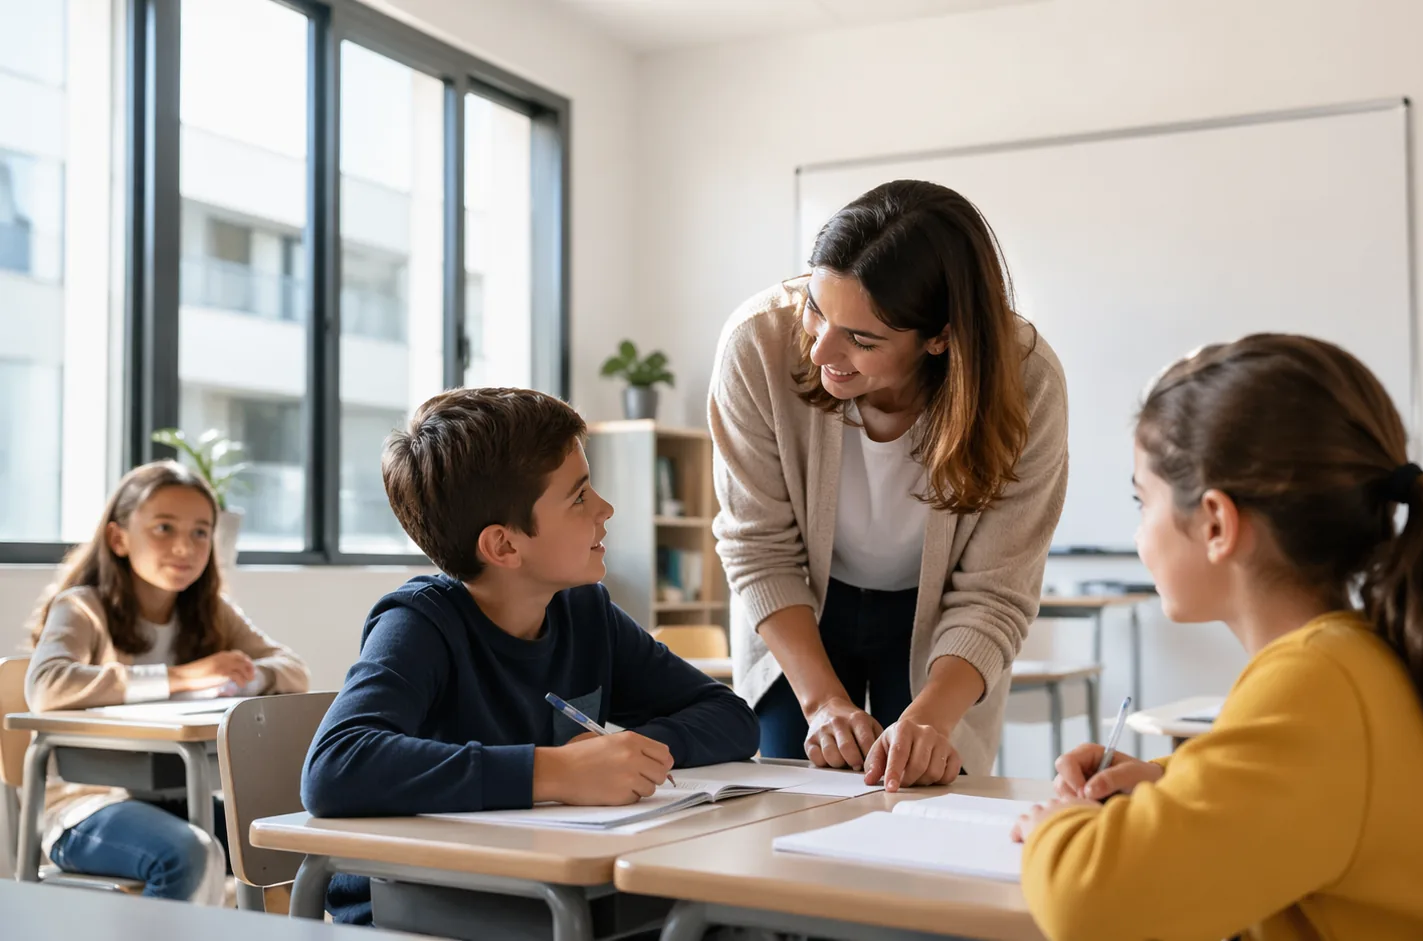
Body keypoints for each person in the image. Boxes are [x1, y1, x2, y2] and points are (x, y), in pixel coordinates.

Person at [1015, 334, 1423, 941]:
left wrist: (1054, 828)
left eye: (1143, 502)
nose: (1140, 531)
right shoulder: (1359, 656)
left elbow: (1089, 907)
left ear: (1216, 522)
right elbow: (1315, 796)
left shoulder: (1317, 682)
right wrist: (1173, 782)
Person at [301, 387, 759, 925]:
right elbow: (334, 767)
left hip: (544, 887)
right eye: (580, 497)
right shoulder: (420, 624)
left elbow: (731, 717)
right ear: (504, 547)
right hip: (418, 900)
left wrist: (635, 755)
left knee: (739, 920)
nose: (606, 510)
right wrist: (556, 771)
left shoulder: (584, 612)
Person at [710, 179, 1068, 786]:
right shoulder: (759, 344)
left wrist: (930, 718)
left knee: (928, 795)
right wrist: (823, 702)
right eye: (816, 310)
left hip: (938, 617)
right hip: (801, 603)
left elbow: (995, 591)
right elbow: (758, 547)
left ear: (941, 338)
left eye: (862, 339)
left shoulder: (1025, 381)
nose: (822, 350)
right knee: (786, 797)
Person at [25, 460, 310, 902]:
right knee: (190, 854)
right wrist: (180, 677)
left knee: (287, 838)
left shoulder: (210, 609)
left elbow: (292, 670)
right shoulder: (82, 607)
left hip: (178, 793)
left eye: (200, 532)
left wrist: (242, 676)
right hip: (85, 809)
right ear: (118, 538)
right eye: (163, 528)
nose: (185, 547)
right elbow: (46, 685)